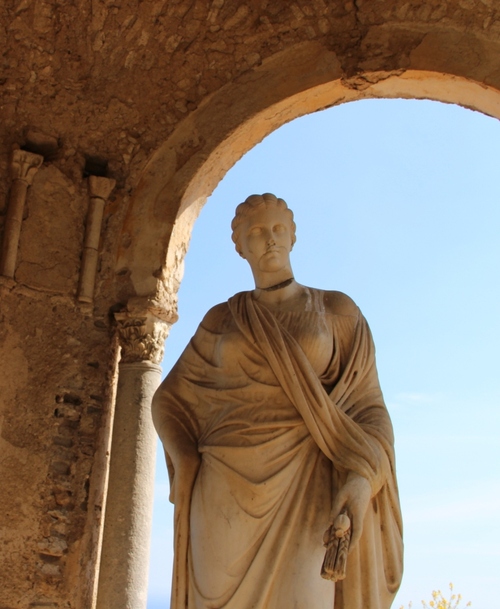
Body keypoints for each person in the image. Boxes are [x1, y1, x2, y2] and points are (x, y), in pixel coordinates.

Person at [152, 193, 403, 609]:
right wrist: (185, 458)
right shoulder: (222, 319)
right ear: (240, 248)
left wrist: (361, 481)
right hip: (221, 493)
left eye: (277, 229)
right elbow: (170, 400)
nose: (269, 239)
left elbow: (369, 408)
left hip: (309, 485)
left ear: (292, 236)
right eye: (256, 233)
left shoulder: (337, 312)